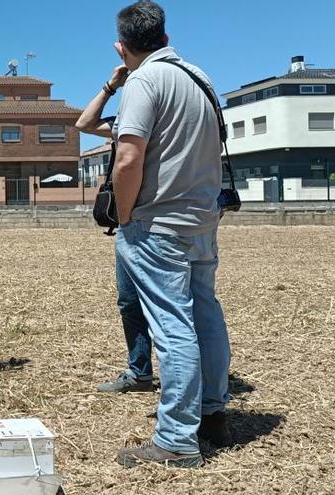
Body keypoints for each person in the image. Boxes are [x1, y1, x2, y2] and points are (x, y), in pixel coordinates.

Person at [104, 1, 232, 468]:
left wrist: (124, 215)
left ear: (123, 47)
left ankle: (177, 439)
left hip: (158, 222)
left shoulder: (143, 80)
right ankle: (213, 412)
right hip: (202, 218)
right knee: (206, 316)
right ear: (162, 34)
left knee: (173, 327)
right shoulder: (200, 77)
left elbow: (128, 157)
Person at [75, 68, 157, 394]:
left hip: (155, 216)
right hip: (127, 221)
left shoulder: (160, 119)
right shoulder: (124, 123)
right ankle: (140, 372)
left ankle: (192, 381)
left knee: (171, 304)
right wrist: (111, 85)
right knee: (129, 301)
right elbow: (84, 123)